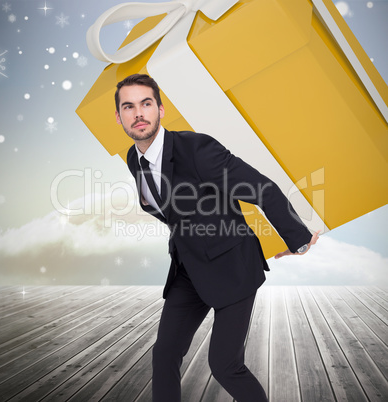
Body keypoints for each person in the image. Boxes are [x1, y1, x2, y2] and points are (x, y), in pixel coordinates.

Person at [114, 73, 319, 402]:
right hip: (188, 267)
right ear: (119, 116)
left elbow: (261, 188)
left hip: (232, 265)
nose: (138, 113)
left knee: (224, 365)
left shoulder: (197, 149)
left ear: (161, 110)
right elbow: (163, 206)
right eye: (129, 106)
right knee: (164, 355)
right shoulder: (132, 158)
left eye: (146, 104)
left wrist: (299, 239)